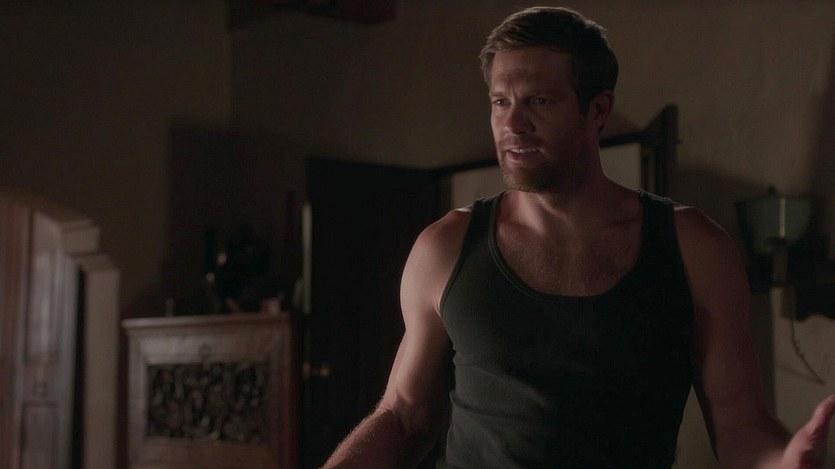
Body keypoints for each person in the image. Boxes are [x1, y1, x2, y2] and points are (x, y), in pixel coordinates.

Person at [322, 6, 835, 468]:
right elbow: (404, 416)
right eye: (500, 101)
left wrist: (783, 462)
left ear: (598, 109)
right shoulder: (446, 247)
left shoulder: (694, 248)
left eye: (539, 100)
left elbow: (740, 425)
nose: (512, 123)